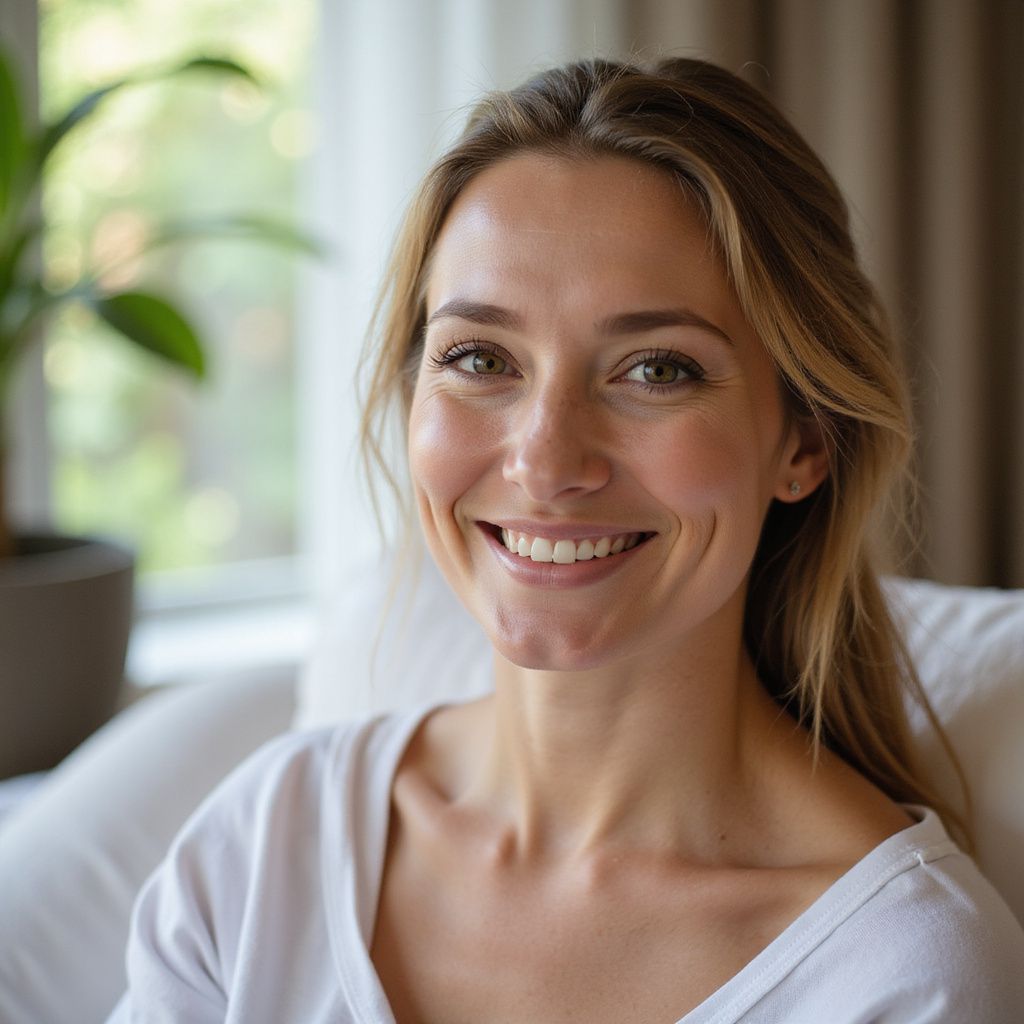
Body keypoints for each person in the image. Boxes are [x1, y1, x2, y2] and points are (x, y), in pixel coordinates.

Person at [107, 58, 1024, 1022]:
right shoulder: (262, 852)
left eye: (655, 369)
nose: (544, 462)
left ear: (804, 440)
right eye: (479, 358)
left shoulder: (910, 980)